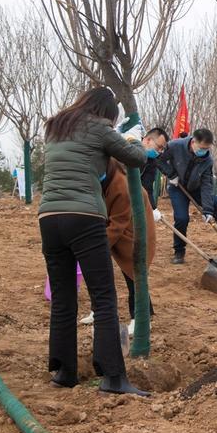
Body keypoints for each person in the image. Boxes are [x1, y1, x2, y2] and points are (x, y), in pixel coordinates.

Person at [38, 86, 148, 396]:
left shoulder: (57, 125)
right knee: (103, 297)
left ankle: (64, 371)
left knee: (63, 298)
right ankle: (113, 378)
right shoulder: (98, 127)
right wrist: (132, 136)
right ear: (106, 112)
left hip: (48, 218)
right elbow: (136, 158)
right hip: (84, 218)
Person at [79, 158, 157, 336]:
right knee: (97, 271)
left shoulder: (122, 186)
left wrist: (96, 248)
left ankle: (141, 319)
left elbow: (118, 223)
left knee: (134, 275)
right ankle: (97, 310)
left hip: (135, 232)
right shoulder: (102, 180)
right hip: (112, 227)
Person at [158, 128, 217, 264]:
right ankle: (179, 252)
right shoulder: (175, 146)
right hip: (177, 186)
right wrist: (170, 173)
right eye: (202, 148)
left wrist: (208, 210)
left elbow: (206, 185)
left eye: (207, 149)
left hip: (196, 188)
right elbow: (159, 160)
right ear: (193, 142)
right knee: (181, 218)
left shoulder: (207, 160)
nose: (204, 151)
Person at [140, 127, 169, 218]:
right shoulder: (128, 147)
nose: (160, 151)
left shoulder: (152, 161)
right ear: (148, 140)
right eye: (159, 147)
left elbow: (147, 186)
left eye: (162, 149)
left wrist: (153, 208)